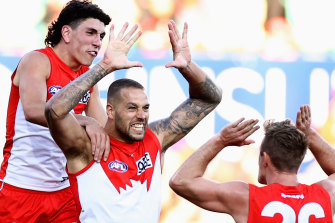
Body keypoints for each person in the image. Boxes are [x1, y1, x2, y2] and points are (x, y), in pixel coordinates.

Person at [44, 16, 222, 222]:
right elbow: (54, 112)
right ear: (110, 111)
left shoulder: (156, 138)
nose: (141, 115)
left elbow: (210, 99)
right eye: (132, 108)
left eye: (145, 108)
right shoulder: (87, 149)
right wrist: (105, 66)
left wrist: (187, 67)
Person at [0, 1, 113, 222]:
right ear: (67, 33)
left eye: (101, 36)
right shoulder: (38, 60)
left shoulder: (87, 76)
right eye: (91, 33)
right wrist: (83, 120)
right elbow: (33, 110)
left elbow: (102, 129)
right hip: (20, 189)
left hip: (65, 194)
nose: (98, 42)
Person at [169, 105, 335, 222]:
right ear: (298, 160)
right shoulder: (326, 194)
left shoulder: (246, 198)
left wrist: (220, 140)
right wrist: (309, 135)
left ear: (265, 159)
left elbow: (181, 181)